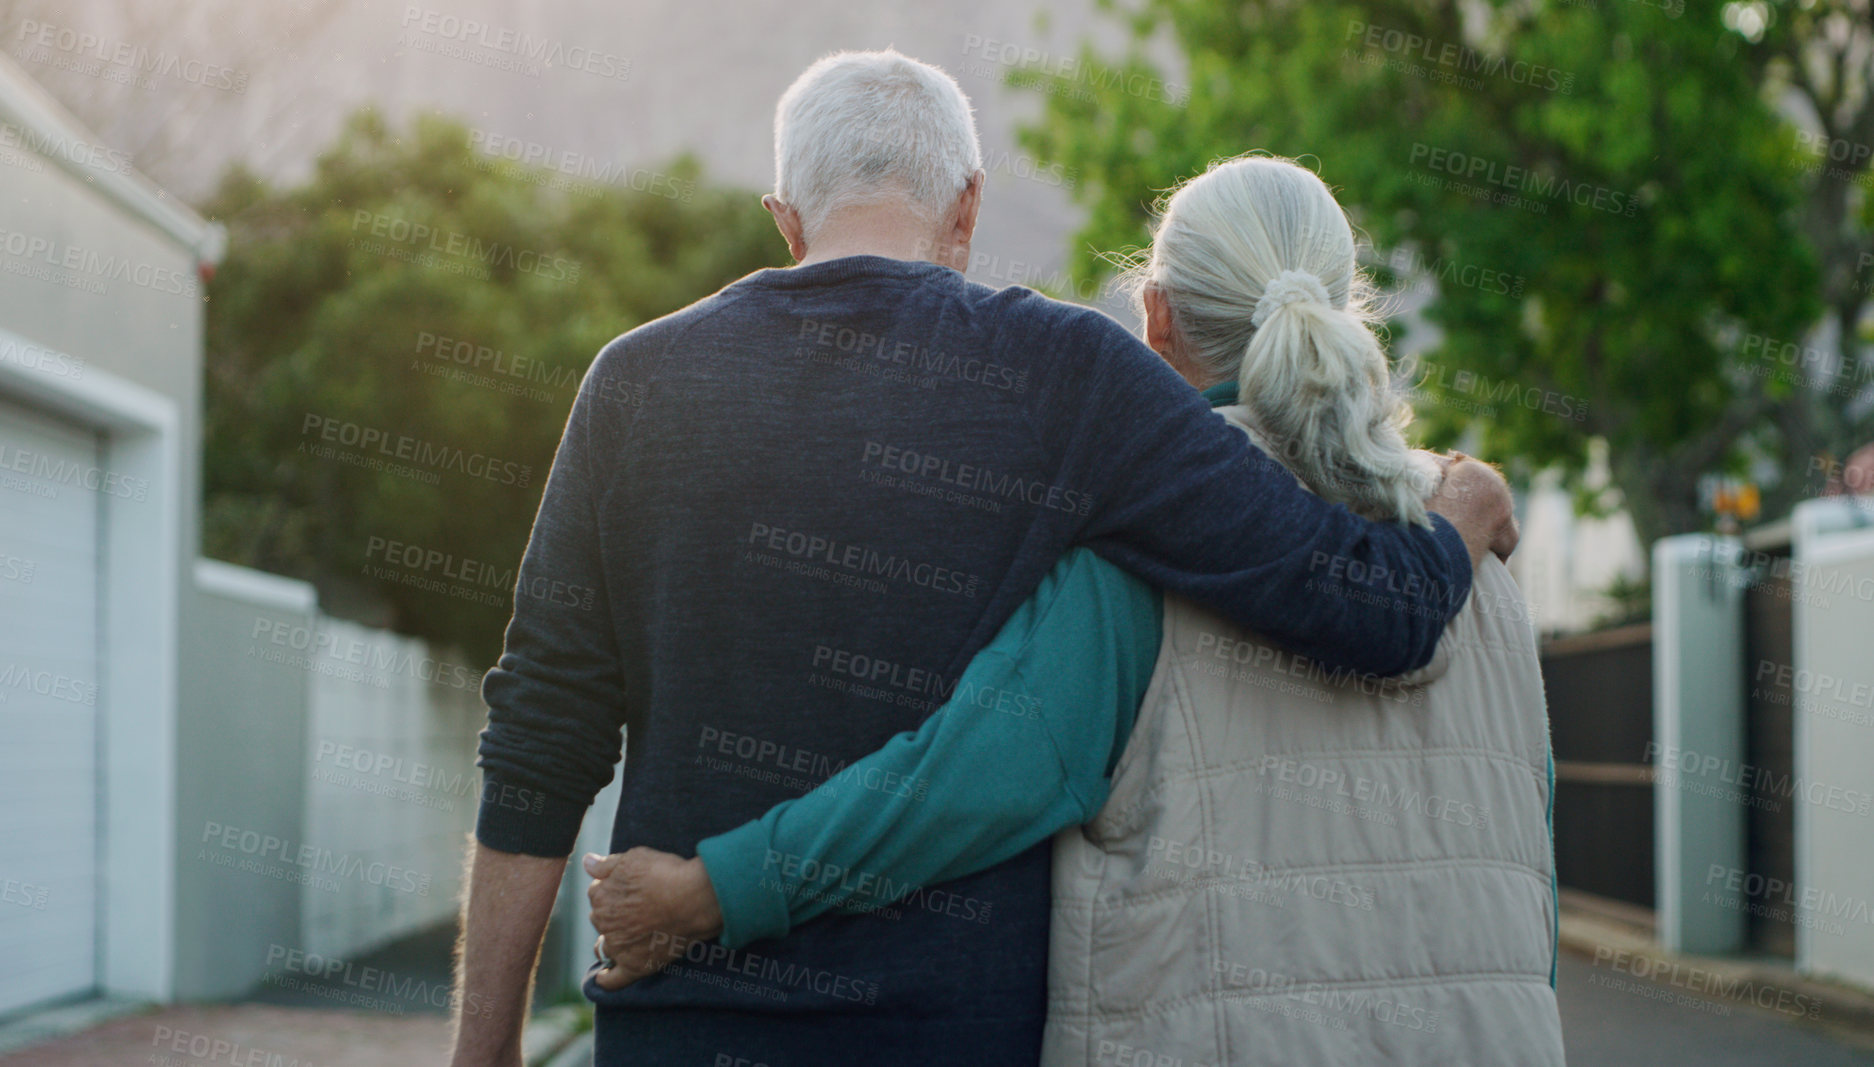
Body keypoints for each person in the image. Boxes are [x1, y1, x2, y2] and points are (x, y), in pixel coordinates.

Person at [448, 49, 1515, 1067]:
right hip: (953, 1029)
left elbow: (541, 732)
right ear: (967, 204)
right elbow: (1369, 607)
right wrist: (1460, 498)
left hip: (677, 1020)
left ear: (783, 220)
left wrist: (482, 1046)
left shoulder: (633, 382)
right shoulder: (1070, 371)